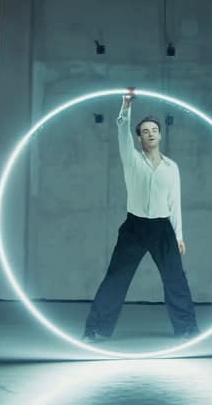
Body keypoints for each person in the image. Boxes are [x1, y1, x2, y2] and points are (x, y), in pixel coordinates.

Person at [83, 91, 199, 342]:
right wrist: (125, 107)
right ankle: (95, 329)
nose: (151, 133)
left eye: (154, 130)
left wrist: (179, 235)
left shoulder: (172, 167)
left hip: (163, 228)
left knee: (176, 280)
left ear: (160, 134)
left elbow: (174, 202)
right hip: (134, 228)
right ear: (139, 137)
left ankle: (187, 329)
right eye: (145, 131)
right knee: (115, 278)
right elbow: (122, 132)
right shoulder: (132, 159)